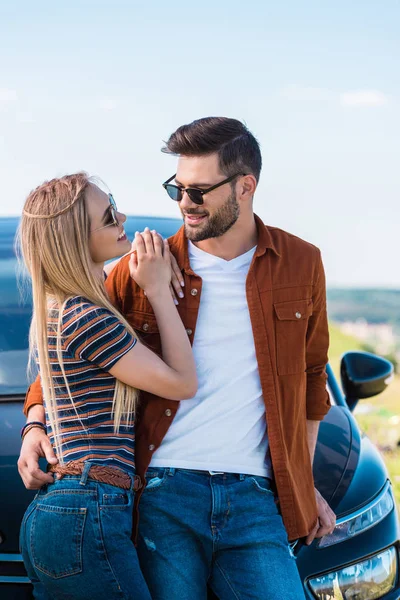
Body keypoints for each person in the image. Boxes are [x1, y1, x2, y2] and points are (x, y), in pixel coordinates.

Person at [20, 118, 337, 600]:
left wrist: (303, 482)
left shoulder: (301, 262)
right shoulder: (141, 267)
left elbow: (314, 379)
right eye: (178, 189)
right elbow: (66, 356)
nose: (184, 204)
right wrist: (36, 425)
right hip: (163, 493)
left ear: (246, 186)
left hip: (257, 499)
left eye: (199, 191)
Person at [17, 173, 197, 600]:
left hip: (67, 509)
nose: (124, 218)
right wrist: (156, 291)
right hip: (87, 507)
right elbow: (183, 382)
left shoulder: (63, 309)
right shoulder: (85, 318)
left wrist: (33, 423)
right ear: (76, 239)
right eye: (109, 215)